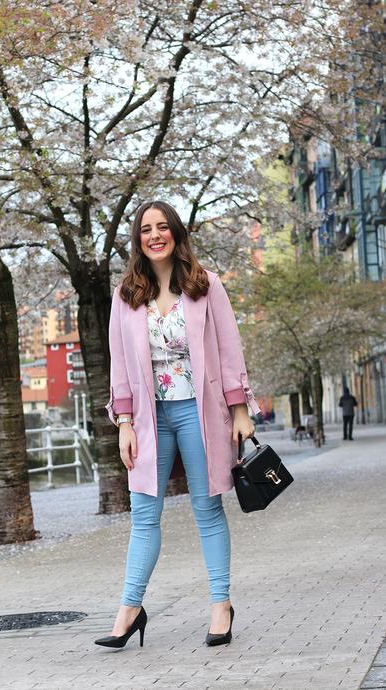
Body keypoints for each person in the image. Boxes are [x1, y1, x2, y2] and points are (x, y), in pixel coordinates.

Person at [95, 200, 259, 650]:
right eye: (146, 229)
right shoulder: (126, 296)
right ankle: (129, 609)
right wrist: (124, 423)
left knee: (207, 509)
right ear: (137, 239)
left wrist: (240, 411)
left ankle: (220, 605)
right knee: (144, 514)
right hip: (149, 419)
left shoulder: (206, 287)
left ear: (176, 233)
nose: (155, 235)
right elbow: (120, 369)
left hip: (198, 412)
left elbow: (229, 350)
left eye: (162, 227)